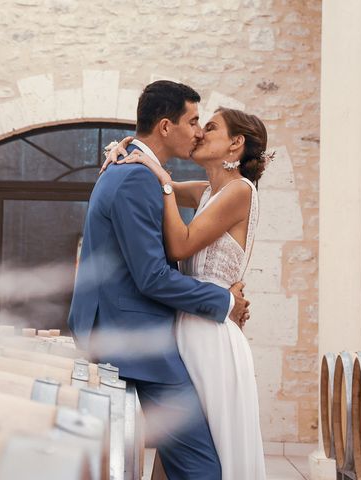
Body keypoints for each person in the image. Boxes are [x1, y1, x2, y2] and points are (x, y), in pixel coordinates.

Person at [68, 80, 250, 479]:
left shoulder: (136, 169)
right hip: (135, 336)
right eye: (194, 120)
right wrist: (224, 301)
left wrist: (157, 172)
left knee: (173, 461)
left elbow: (211, 194)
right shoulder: (135, 176)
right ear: (166, 127)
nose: (199, 131)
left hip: (134, 327)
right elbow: (152, 277)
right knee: (201, 465)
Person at [102, 106, 271, 479]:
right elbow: (151, 177)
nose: (199, 134)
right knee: (177, 444)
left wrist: (161, 178)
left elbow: (180, 245)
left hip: (211, 336)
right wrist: (129, 146)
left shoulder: (240, 191)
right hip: (189, 324)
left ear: (236, 143)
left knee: (206, 443)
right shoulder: (208, 191)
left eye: (210, 128)